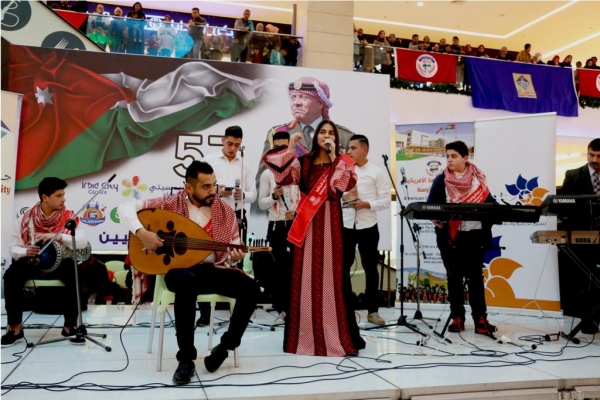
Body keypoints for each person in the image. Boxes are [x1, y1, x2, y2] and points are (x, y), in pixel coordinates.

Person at [118, 161, 260, 384]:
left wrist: (235, 256)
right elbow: (124, 208)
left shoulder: (225, 211)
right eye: (206, 186)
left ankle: (224, 347)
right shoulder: (170, 203)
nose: (213, 191)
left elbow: (230, 249)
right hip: (179, 270)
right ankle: (186, 359)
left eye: (214, 184)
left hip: (212, 270)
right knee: (186, 283)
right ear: (188, 188)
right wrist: (143, 233)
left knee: (251, 289)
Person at [263, 120, 365, 356]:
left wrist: (335, 157)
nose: (326, 136)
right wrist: (291, 146)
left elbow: (339, 187)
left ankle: (334, 336)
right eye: (323, 132)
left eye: (331, 133)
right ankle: (304, 337)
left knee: (331, 279)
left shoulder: (341, 161)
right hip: (306, 226)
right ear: (316, 135)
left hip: (331, 226)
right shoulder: (304, 162)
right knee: (304, 278)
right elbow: (281, 176)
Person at [2, 177, 89, 347]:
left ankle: (69, 327)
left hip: (60, 262)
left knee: (74, 272)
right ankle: (15, 329)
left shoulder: (69, 217)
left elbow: (82, 242)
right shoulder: (26, 218)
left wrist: (58, 236)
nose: (63, 199)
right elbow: (13, 248)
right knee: (11, 275)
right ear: (45, 197)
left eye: (63, 195)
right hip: (33, 261)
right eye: (58, 195)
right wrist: (25, 251)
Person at [427, 141, 497, 335]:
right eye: (448, 156)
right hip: (451, 238)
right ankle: (457, 317)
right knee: (454, 277)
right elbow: (430, 205)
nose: (449, 160)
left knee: (475, 278)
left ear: (465, 158)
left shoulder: (478, 180)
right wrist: (436, 218)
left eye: (454, 156)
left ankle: (480, 319)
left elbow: (491, 204)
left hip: (475, 236)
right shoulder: (441, 180)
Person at [341, 135, 391, 326]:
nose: (349, 151)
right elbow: (335, 197)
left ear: (365, 150)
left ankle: (373, 311)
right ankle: (346, 310)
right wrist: (345, 197)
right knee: (343, 267)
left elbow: (385, 201)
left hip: (368, 226)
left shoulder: (377, 172)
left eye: (353, 148)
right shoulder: (344, 172)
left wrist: (366, 204)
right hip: (347, 225)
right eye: (348, 148)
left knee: (371, 269)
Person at [559, 138, 600, 335]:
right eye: (591, 155)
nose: (594, 160)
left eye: (599, 156)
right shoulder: (573, 175)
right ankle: (588, 320)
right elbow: (563, 208)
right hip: (581, 237)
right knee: (584, 279)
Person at [258, 131, 300, 320]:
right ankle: (283, 309)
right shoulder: (267, 173)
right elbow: (261, 204)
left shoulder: (298, 169)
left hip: (297, 225)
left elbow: (308, 200)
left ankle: (296, 308)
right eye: (276, 148)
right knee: (279, 270)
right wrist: (274, 196)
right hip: (277, 226)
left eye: (284, 147)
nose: (280, 151)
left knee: (296, 268)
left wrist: (297, 213)